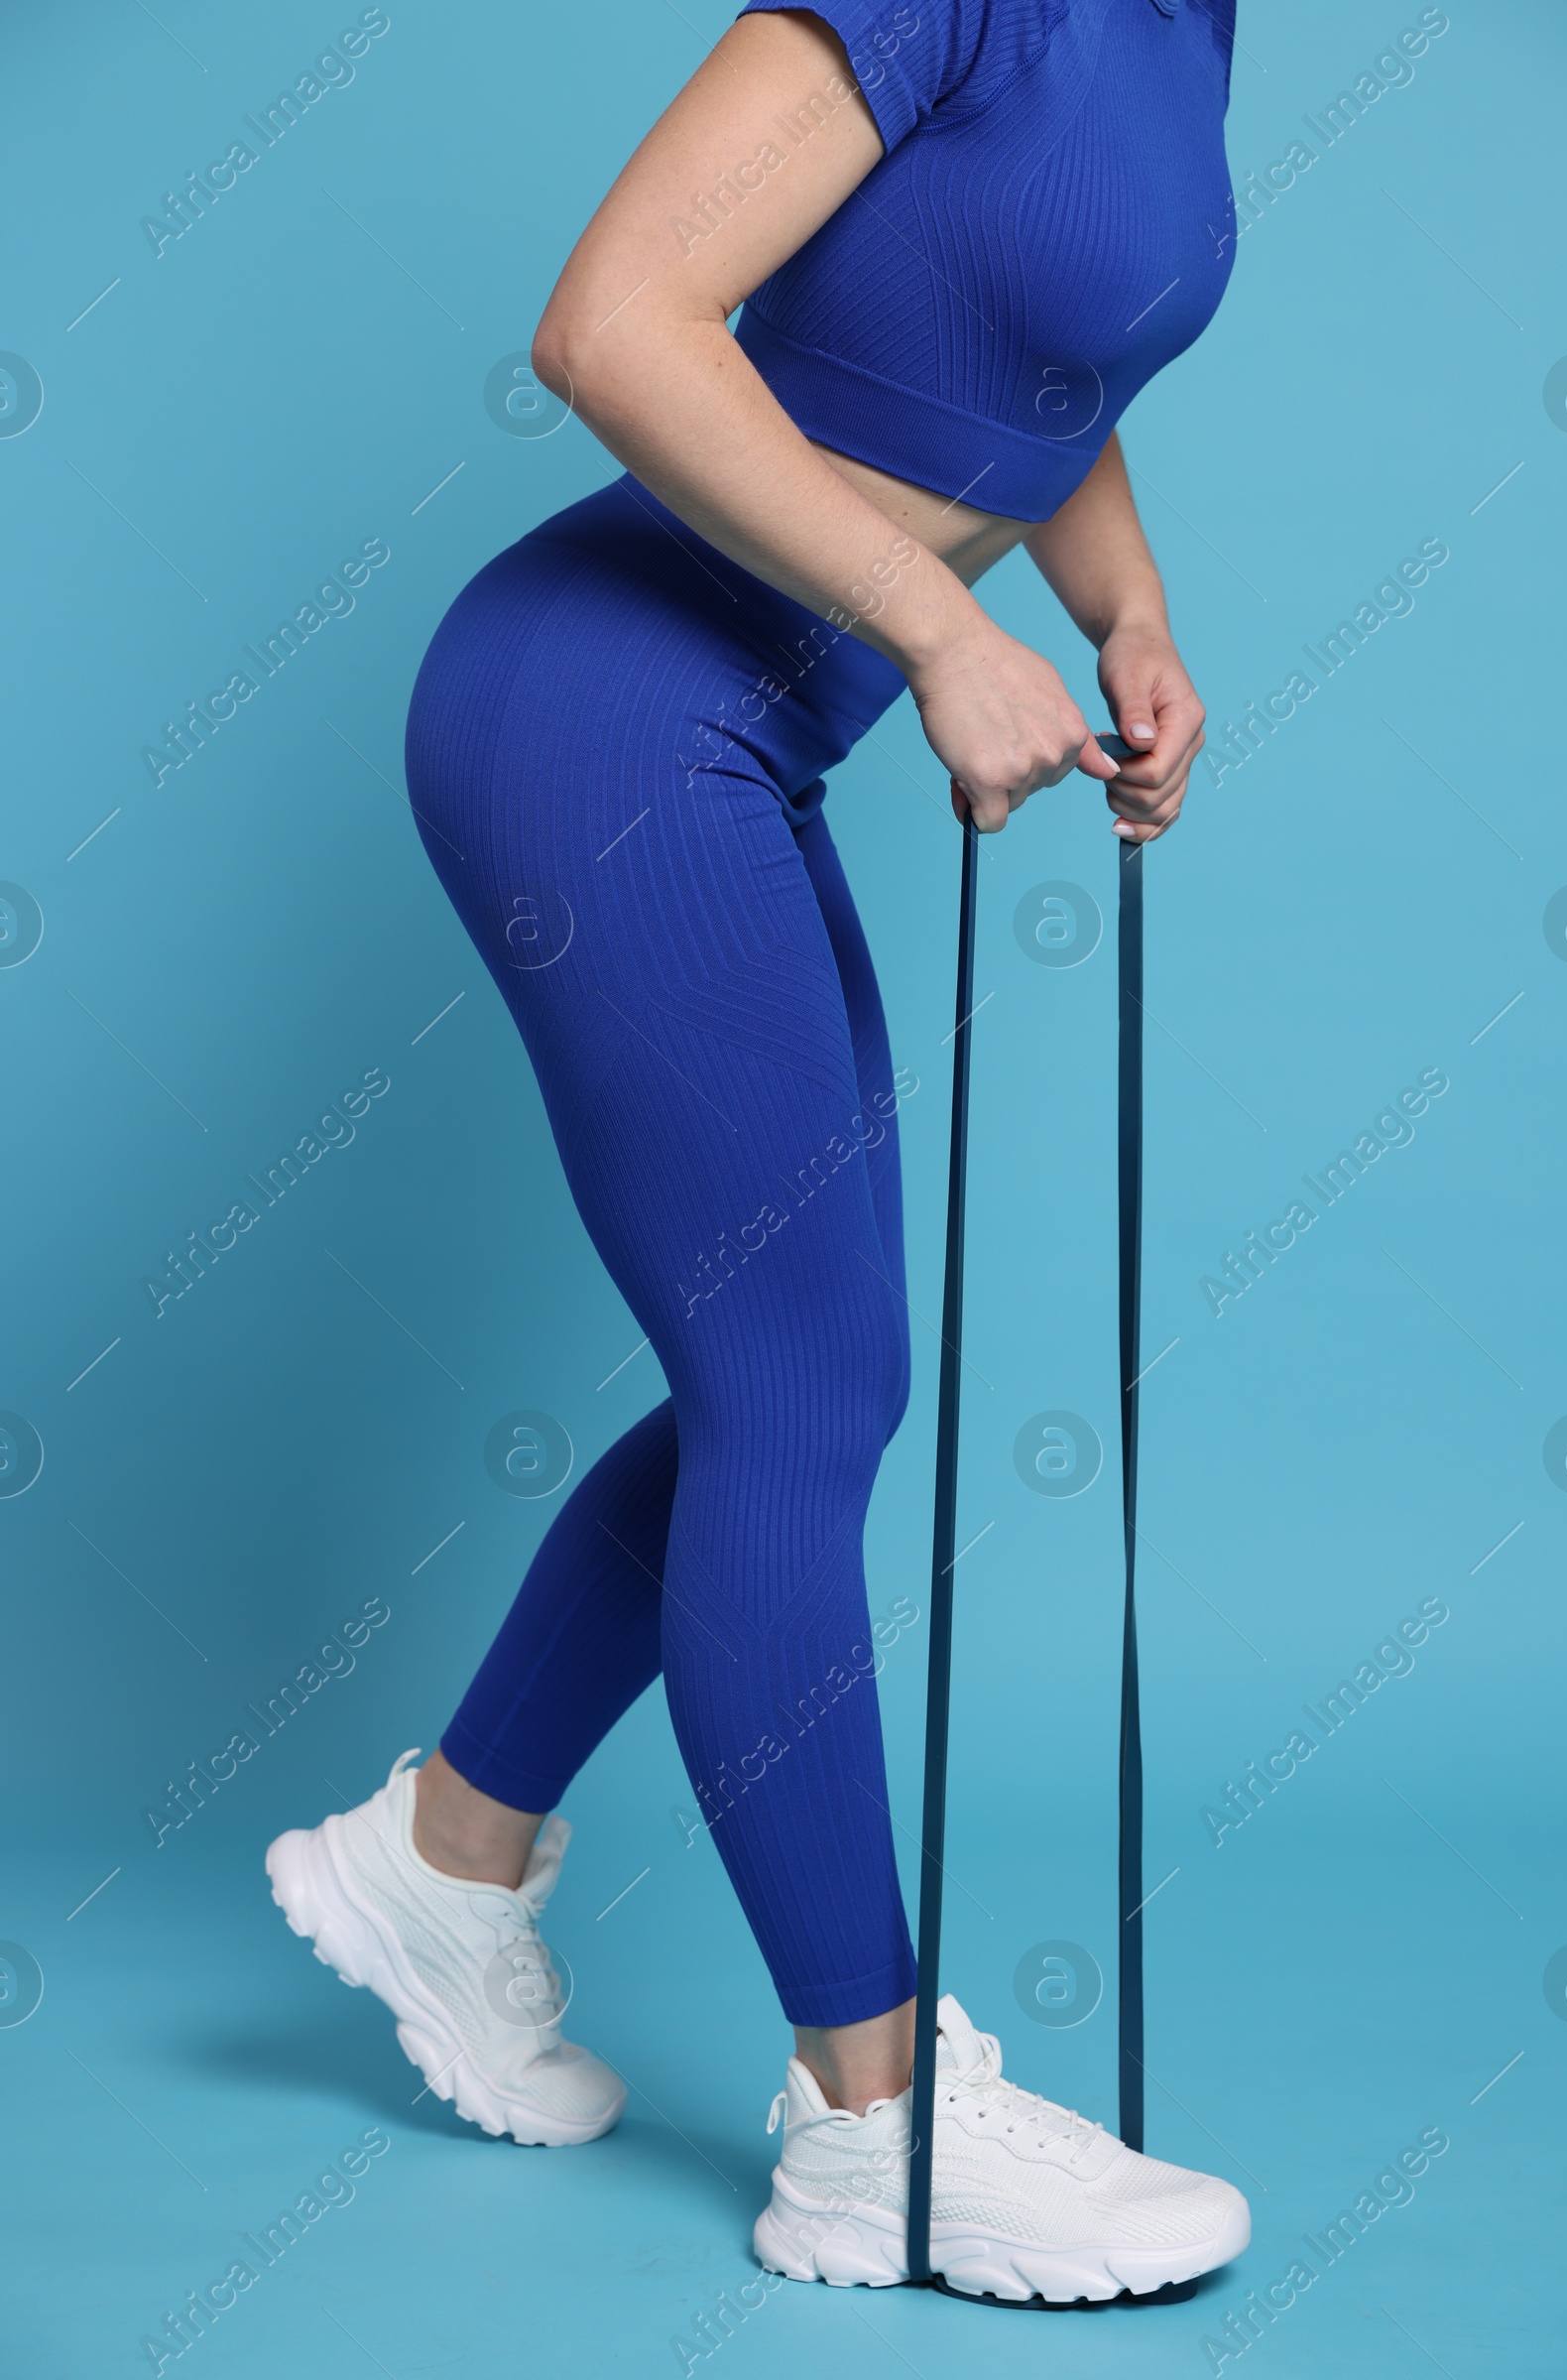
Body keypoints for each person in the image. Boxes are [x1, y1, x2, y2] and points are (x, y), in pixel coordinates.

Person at [268, 0, 1251, 2302]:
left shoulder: (1189, 19)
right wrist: (933, 628)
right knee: (802, 1404)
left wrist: (1121, 608)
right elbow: (611, 319)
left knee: (792, 1387)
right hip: (604, 706)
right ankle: (872, 2132)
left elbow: (1032, 357)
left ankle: (444, 1855)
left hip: (729, 725)